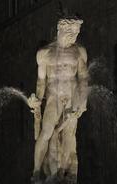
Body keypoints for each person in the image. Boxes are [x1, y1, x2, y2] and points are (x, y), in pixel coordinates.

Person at [29, 17, 88, 183]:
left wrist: (82, 101)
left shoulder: (79, 52)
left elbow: (83, 77)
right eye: (71, 33)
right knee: (46, 131)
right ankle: (36, 171)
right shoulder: (44, 54)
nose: (74, 37)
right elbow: (41, 81)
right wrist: (37, 99)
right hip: (53, 97)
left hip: (71, 97)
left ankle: (66, 172)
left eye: (77, 33)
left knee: (70, 134)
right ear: (60, 30)